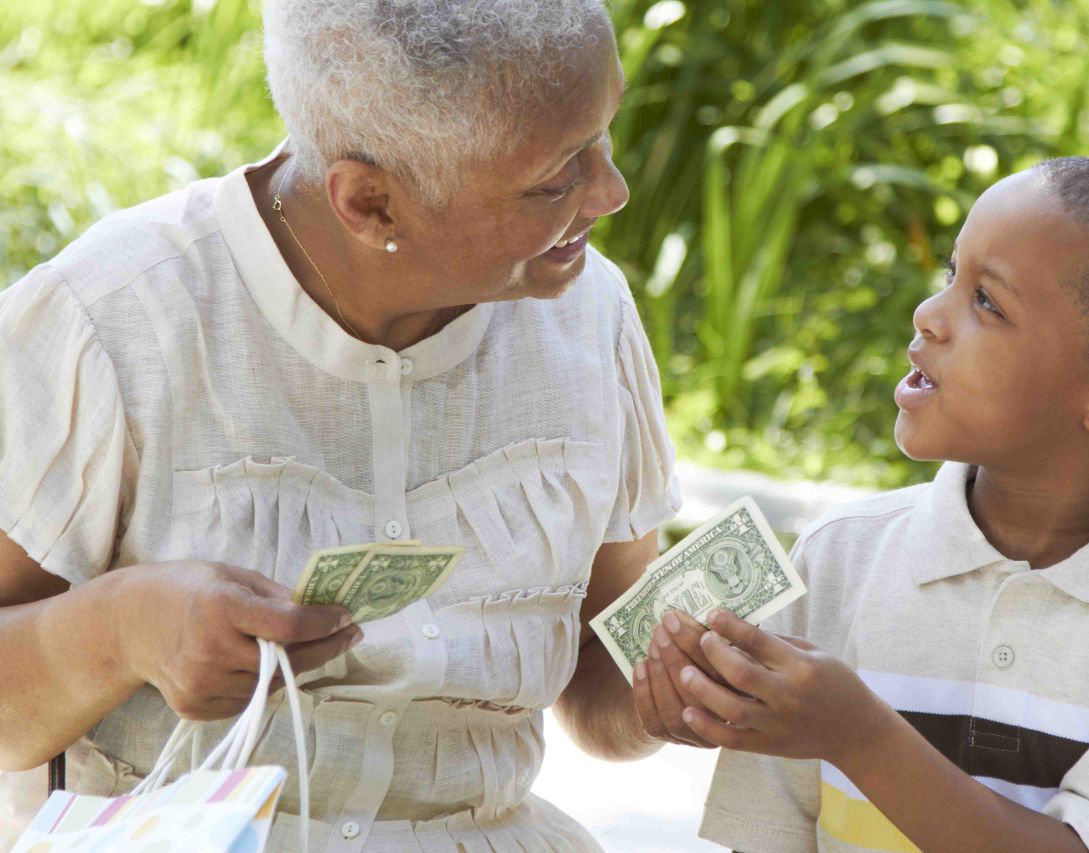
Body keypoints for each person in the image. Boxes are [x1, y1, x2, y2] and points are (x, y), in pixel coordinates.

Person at [0, 1, 682, 849]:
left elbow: (599, 691)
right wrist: (116, 629)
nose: (611, 193)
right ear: (368, 203)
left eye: (604, 137)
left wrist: (676, 690)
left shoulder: (592, 313)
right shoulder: (113, 319)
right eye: (554, 180)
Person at [637, 158, 1089, 852]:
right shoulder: (841, 555)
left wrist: (859, 735)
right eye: (952, 274)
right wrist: (706, 704)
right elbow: (767, 838)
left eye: (987, 302)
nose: (929, 315)